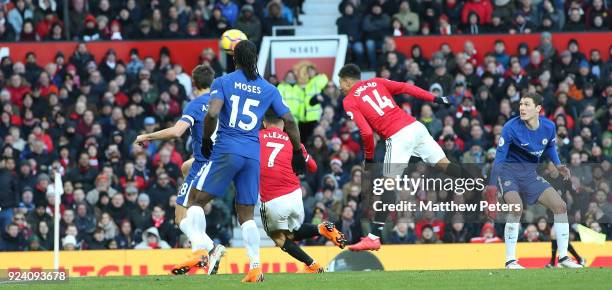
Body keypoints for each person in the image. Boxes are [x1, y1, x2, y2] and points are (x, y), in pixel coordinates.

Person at [191, 40, 304, 283]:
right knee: (245, 215)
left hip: (227, 149)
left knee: (195, 200)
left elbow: (212, 114)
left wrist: (206, 141)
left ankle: (202, 251)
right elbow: (290, 120)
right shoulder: (269, 88)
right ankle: (255, 267)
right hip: (253, 154)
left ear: (235, 59)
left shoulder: (223, 81)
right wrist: (296, 150)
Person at [134, 65, 224, 275]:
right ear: (211, 82)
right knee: (186, 169)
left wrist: (146, 137)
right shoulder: (222, 103)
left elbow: (177, 132)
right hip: (222, 163)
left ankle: (200, 251)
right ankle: (211, 249)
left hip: (205, 163)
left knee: (179, 215)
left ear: (193, 83)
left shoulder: (195, 105)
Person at [487, 92, 583, 269]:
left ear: (538, 108)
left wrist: (558, 164)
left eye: (527, 104)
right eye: (521, 104)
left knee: (560, 206)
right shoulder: (510, 127)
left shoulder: (549, 127)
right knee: (517, 207)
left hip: (530, 175)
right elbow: (499, 158)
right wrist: (492, 188)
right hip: (508, 173)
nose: (522, 108)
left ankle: (563, 258)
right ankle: (510, 261)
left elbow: (550, 146)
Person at [258, 110, 346, 273]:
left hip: (272, 198)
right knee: (292, 233)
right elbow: (313, 167)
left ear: (264, 123)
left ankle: (312, 264)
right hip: (295, 194)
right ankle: (321, 229)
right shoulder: (293, 142)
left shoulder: (257, 138)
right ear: (284, 124)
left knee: (278, 238)